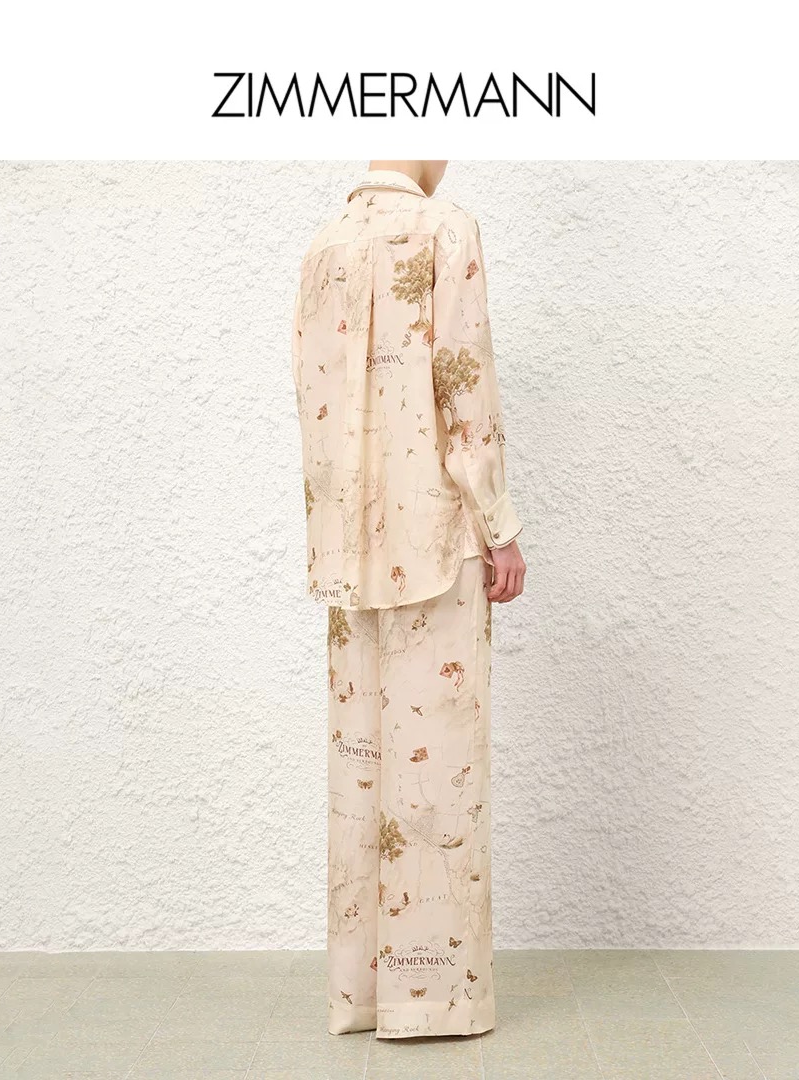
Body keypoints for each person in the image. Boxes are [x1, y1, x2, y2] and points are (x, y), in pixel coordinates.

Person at [291, 160, 526, 1040]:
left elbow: (312, 402)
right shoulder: (445, 227)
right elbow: (464, 384)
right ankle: (434, 1001)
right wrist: (498, 523)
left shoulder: (325, 246)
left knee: (362, 772)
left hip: (350, 550)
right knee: (438, 773)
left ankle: (360, 997)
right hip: (433, 542)